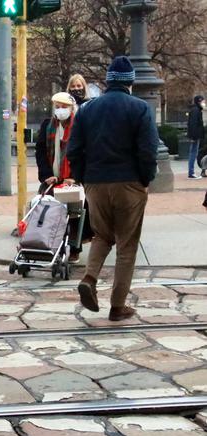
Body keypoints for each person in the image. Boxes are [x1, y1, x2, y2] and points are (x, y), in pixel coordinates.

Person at [67, 56, 158, 322]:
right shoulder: (140, 108)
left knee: (102, 236)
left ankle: (89, 277)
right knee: (126, 245)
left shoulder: (87, 110)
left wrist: (84, 178)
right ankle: (118, 306)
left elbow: (74, 150)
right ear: (130, 82)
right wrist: (145, 180)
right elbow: (148, 151)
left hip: (95, 183)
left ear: (107, 81)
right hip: (129, 183)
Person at [35, 92, 83, 264]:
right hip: (52, 178)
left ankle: (74, 248)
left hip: (71, 179)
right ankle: (49, 245)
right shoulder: (47, 125)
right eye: (58, 107)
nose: (60, 110)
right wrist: (47, 175)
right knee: (48, 211)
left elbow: (83, 153)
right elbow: (41, 151)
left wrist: (74, 177)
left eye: (64, 107)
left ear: (72, 108)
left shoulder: (79, 126)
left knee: (75, 214)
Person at [187, 95, 205, 179]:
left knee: (194, 153)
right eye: (203, 101)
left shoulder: (196, 110)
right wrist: (193, 136)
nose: (204, 103)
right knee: (193, 153)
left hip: (195, 135)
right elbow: (193, 124)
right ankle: (191, 172)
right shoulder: (196, 110)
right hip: (195, 135)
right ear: (199, 101)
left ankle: (191, 172)